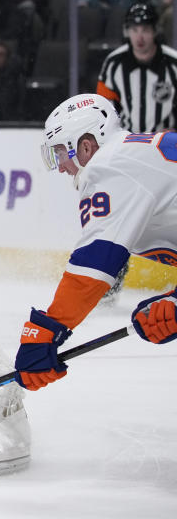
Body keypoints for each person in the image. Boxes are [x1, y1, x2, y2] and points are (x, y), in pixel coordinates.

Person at [13, 94, 177, 392]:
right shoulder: (133, 156)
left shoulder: (109, 166)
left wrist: (48, 329)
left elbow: (96, 262)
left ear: (86, 146)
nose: (60, 167)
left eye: (60, 153)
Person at [96, 3, 177, 133]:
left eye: (145, 30)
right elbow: (103, 109)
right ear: (127, 31)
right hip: (126, 143)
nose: (139, 37)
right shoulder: (113, 63)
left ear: (155, 31)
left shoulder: (174, 63)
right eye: (134, 30)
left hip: (165, 144)